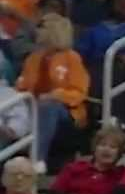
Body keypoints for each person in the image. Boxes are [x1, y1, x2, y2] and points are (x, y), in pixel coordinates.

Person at [15, 13, 89, 170]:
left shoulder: (72, 58)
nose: (37, 31)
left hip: (65, 112)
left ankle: (37, 158)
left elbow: (79, 91)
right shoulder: (32, 58)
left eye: (41, 28)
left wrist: (56, 95)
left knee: (48, 105)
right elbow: (22, 86)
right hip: (34, 108)